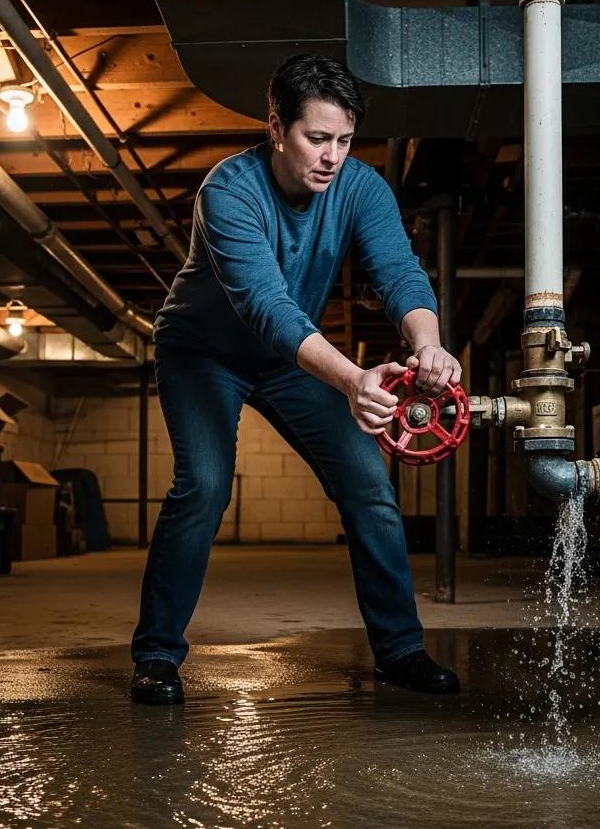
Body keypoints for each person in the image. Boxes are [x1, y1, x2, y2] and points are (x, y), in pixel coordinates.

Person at [130, 53, 462, 705]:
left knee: (369, 487)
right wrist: (352, 380)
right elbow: (268, 307)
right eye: (317, 138)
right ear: (277, 128)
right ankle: (157, 656)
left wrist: (429, 346)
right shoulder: (229, 192)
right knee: (203, 488)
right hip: (203, 353)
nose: (332, 156)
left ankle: (400, 650)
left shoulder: (361, 188)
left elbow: (398, 271)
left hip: (287, 361)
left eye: (345, 140)